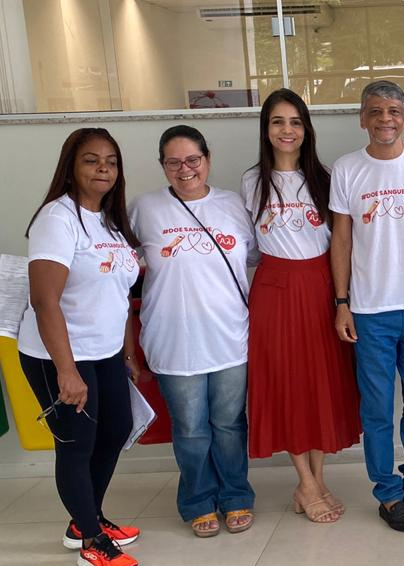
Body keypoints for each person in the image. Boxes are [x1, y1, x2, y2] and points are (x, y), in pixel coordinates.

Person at [329, 80, 404, 532]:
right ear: (362, 118)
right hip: (370, 312)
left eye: (394, 111)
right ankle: (387, 493)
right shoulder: (347, 169)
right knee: (377, 409)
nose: (386, 119)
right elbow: (341, 240)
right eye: (376, 111)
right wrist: (342, 302)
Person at [18, 128, 141, 566]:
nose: (103, 168)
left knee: (116, 429)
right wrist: (66, 371)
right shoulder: (57, 218)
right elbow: (44, 300)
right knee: (76, 444)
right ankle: (91, 540)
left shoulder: (109, 220)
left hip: (104, 352)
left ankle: (86, 518)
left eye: (111, 161)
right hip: (59, 355)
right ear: (71, 167)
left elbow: (118, 293)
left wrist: (127, 353)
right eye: (91, 160)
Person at [130, 125, 257, 538]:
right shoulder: (144, 208)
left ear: (207, 159)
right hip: (173, 340)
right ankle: (198, 500)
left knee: (229, 425)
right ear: (163, 166)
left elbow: (255, 257)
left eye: (192, 160)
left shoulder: (233, 204)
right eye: (174, 162)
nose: (185, 169)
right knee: (190, 429)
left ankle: (235, 495)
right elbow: (121, 267)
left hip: (230, 337)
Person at [243, 89, 361, 523]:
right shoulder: (252, 182)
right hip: (274, 290)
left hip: (320, 287)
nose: (287, 130)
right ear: (266, 130)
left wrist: (342, 298)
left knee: (320, 383)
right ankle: (305, 483)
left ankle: (317, 479)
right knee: (286, 383)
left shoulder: (326, 179)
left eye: (295, 122)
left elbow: (342, 242)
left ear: (307, 129)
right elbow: (248, 247)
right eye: (277, 121)